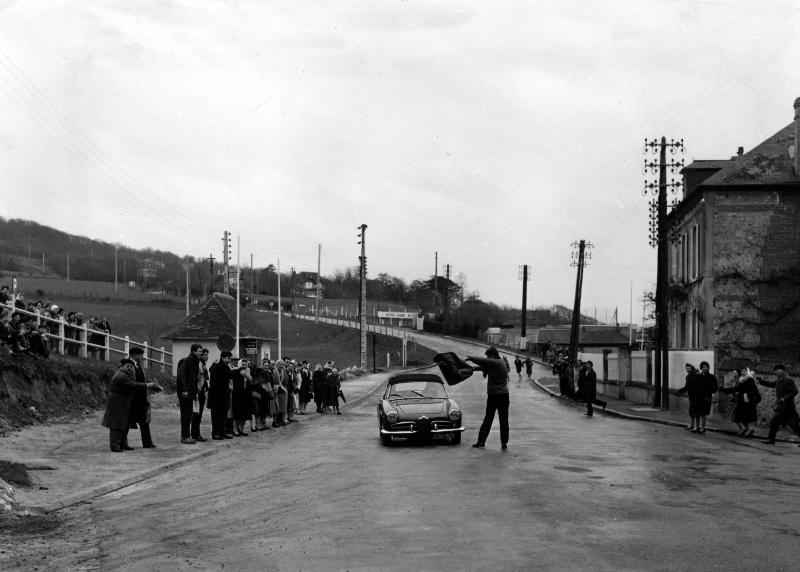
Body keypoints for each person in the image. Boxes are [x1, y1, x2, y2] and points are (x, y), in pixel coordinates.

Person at [102, 359, 160, 452]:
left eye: (130, 366)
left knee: (123, 423)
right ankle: (115, 446)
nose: (129, 368)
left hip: (122, 402)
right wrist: (147, 386)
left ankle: (122, 444)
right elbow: (132, 385)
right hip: (117, 402)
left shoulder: (125, 374)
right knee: (116, 425)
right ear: (121, 366)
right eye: (127, 366)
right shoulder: (121, 375)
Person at [466, 346, 510, 450]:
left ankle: (485, 442)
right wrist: (473, 368)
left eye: (488, 356)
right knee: (501, 420)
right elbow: (484, 367)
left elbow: (484, 362)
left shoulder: (497, 362)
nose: (487, 358)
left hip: (496, 396)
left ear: (493, 355)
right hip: (503, 395)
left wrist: (470, 358)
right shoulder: (500, 363)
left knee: (490, 419)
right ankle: (497, 442)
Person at [758, 364, 800, 445]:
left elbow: (794, 391)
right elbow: (771, 384)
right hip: (782, 407)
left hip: (787, 407)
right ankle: (771, 439)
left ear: (782, 370)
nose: (775, 372)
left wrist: (784, 398)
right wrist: (761, 381)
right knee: (784, 423)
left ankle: (771, 439)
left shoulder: (788, 380)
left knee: (786, 423)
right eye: (775, 370)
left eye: (777, 370)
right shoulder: (779, 380)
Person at [128, 347, 156, 448]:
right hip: (132, 398)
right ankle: (122, 443)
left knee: (144, 420)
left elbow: (143, 379)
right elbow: (129, 383)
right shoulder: (127, 365)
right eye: (140, 355)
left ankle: (147, 442)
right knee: (127, 421)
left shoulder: (139, 366)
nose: (142, 357)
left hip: (141, 397)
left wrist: (152, 386)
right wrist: (146, 385)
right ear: (134, 355)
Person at [719, 368, 760, 438]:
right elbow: (736, 389)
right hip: (743, 401)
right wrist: (724, 390)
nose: (743, 372)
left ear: (747, 372)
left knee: (741, 417)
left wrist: (756, 399)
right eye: (742, 371)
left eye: (744, 371)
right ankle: (747, 430)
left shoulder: (749, 380)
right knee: (742, 417)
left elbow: (754, 391)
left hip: (747, 402)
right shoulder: (742, 380)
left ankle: (747, 430)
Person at [176, 344, 203, 444]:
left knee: (189, 414)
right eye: (199, 351)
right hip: (185, 393)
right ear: (194, 351)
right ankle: (185, 436)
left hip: (191, 392)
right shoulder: (186, 361)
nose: (201, 353)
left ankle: (187, 436)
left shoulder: (195, 361)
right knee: (186, 415)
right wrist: (184, 390)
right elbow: (181, 376)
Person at [680, 361, 717, 434]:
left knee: (703, 414)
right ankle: (697, 426)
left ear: (708, 368)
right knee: (697, 413)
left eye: (706, 367)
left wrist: (708, 392)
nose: (705, 368)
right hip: (698, 397)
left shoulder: (712, 377)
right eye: (703, 367)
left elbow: (715, 388)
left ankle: (703, 428)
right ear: (701, 368)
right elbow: (693, 385)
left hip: (706, 398)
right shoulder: (698, 376)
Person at [208, 351, 234, 439]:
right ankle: (216, 433)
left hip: (224, 395)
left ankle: (222, 432)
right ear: (223, 357)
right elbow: (214, 383)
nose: (229, 360)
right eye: (228, 358)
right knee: (216, 415)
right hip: (216, 396)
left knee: (223, 414)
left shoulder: (226, 367)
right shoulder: (217, 367)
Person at [191, 348, 210, 442]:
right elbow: (197, 377)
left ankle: (196, 433)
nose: (207, 357)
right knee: (196, 414)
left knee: (199, 414)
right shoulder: (198, 365)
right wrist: (198, 389)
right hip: (198, 391)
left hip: (202, 390)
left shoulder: (203, 365)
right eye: (205, 355)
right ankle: (195, 434)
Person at [678, 364, 699, 431]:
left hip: (696, 396)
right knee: (691, 411)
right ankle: (692, 424)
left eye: (689, 368)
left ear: (692, 368)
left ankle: (697, 426)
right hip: (691, 396)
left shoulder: (696, 376)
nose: (687, 369)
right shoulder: (687, 376)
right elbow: (687, 386)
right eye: (687, 368)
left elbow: (697, 386)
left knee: (696, 411)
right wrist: (681, 390)